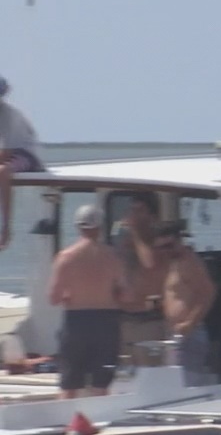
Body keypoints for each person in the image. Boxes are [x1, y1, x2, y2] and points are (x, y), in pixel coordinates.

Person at [47, 205, 127, 398]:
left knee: (69, 384)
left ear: (77, 227)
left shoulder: (66, 257)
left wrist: (70, 295)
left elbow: (53, 298)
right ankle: (99, 422)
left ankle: (68, 423)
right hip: (106, 323)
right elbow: (126, 295)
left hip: (76, 322)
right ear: (100, 227)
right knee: (101, 383)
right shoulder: (113, 256)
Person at [149, 221, 217, 384]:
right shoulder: (175, 263)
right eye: (162, 247)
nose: (166, 251)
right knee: (173, 383)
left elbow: (208, 293)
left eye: (170, 245)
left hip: (189, 334)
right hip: (176, 333)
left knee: (185, 385)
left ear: (180, 240)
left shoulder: (190, 262)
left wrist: (189, 323)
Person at [115, 193, 167, 366]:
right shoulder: (126, 244)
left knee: (150, 372)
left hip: (150, 323)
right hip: (125, 322)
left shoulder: (160, 243)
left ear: (152, 216)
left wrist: (136, 233)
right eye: (132, 211)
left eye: (140, 211)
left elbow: (150, 265)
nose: (134, 215)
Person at [0, 76, 45, 250]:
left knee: (3, 171)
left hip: (26, 155)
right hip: (8, 153)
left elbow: (6, 153)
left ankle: (6, 228)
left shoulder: (9, 116)